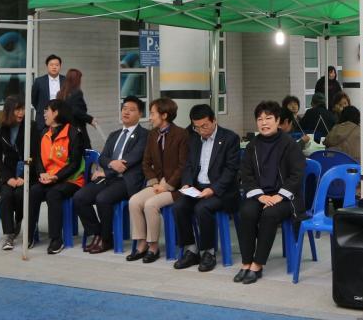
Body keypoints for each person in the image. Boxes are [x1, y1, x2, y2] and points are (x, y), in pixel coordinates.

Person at [234, 101, 305, 285]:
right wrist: (261, 196)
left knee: (270, 214)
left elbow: (297, 175)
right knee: (246, 211)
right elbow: (246, 175)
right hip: (261, 194)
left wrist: (278, 196)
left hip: (286, 197)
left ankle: (257, 264)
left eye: (268, 118)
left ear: (278, 120)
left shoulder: (289, 144)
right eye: (260, 119)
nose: (264, 123)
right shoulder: (252, 145)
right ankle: (246, 262)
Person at [74, 96, 148, 254]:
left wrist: (108, 169)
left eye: (131, 110)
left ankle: (106, 239)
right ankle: (98, 233)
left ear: (140, 114)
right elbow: (102, 157)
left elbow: (132, 159)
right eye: (124, 109)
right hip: (109, 177)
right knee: (79, 197)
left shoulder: (144, 135)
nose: (126, 112)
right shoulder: (114, 134)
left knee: (103, 198)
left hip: (126, 181)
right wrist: (111, 165)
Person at [172, 104, 240, 272]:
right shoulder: (194, 138)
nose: (201, 130)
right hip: (198, 188)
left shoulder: (230, 138)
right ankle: (191, 249)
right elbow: (189, 165)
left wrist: (213, 189)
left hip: (222, 191)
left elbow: (231, 170)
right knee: (179, 206)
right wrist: (187, 183)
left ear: (214, 120)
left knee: (202, 208)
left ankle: (208, 252)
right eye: (197, 127)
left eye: (205, 126)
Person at [127, 98, 188, 263]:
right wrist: (154, 182)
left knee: (150, 205)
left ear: (164, 115)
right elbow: (146, 162)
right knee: (134, 201)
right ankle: (141, 243)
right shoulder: (152, 134)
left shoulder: (181, 134)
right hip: (157, 184)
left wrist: (167, 185)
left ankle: (153, 247)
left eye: (153, 113)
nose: (150, 117)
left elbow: (183, 166)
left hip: (176, 187)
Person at [28, 99, 85, 254]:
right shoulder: (44, 133)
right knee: (34, 191)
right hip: (49, 178)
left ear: (56, 113)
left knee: (53, 194)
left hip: (71, 180)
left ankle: (56, 239)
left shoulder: (73, 133)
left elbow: (74, 164)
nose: (44, 114)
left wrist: (56, 177)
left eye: (47, 110)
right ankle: (30, 235)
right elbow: (38, 158)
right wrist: (42, 173)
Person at [0, 95, 37, 250]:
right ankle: (9, 235)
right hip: (8, 174)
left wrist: (24, 176)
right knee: (6, 195)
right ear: (9, 111)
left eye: (23, 109)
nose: (21, 113)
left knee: (19, 194)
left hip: (28, 172)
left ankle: (18, 220)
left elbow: (35, 155)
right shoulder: (0, 130)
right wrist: (8, 178)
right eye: (17, 110)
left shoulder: (31, 127)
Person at [57, 68, 95, 150]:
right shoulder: (77, 93)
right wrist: (90, 119)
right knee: (86, 154)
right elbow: (76, 111)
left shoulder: (60, 94)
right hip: (77, 129)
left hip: (64, 131)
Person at [32, 55, 65, 133]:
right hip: (43, 120)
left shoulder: (66, 80)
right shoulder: (39, 81)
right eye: (51, 65)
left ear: (60, 66)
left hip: (62, 118)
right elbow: (34, 100)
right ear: (47, 66)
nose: (54, 67)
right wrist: (44, 110)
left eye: (57, 65)